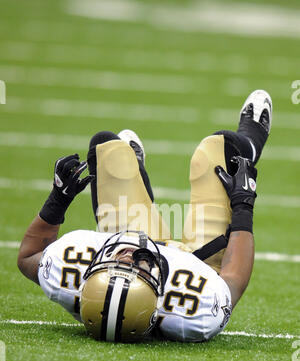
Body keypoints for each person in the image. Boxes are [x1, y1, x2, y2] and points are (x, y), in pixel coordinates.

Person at [17, 90, 272, 343]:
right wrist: (243, 202)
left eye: (116, 263)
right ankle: (251, 141)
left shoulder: (69, 275)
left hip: (133, 238)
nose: (126, 256)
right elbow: (235, 279)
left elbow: (27, 256)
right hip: (200, 262)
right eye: (133, 266)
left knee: (106, 148)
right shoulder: (197, 308)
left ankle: (135, 175)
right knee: (218, 149)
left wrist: (58, 199)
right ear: (157, 292)